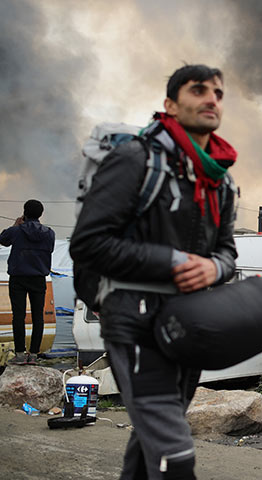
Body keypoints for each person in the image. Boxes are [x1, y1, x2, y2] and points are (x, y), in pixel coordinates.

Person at [70, 64, 238, 479]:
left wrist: (214, 267)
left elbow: (228, 252)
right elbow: (88, 243)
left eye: (218, 93)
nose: (211, 99)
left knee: (150, 447)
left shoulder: (220, 180)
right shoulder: (136, 159)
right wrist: (173, 262)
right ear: (170, 104)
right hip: (133, 316)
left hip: (187, 321)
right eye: (198, 90)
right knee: (173, 456)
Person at [0, 199, 55, 366]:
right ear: (41, 214)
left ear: (24, 213)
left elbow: (2, 240)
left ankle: (19, 354)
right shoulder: (49, 233)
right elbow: (51, 249)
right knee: (38, 317)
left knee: (19, 316)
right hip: (39, 278)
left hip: (18, 278)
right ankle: (34, 355)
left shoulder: (16, 231)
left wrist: (16, 226)